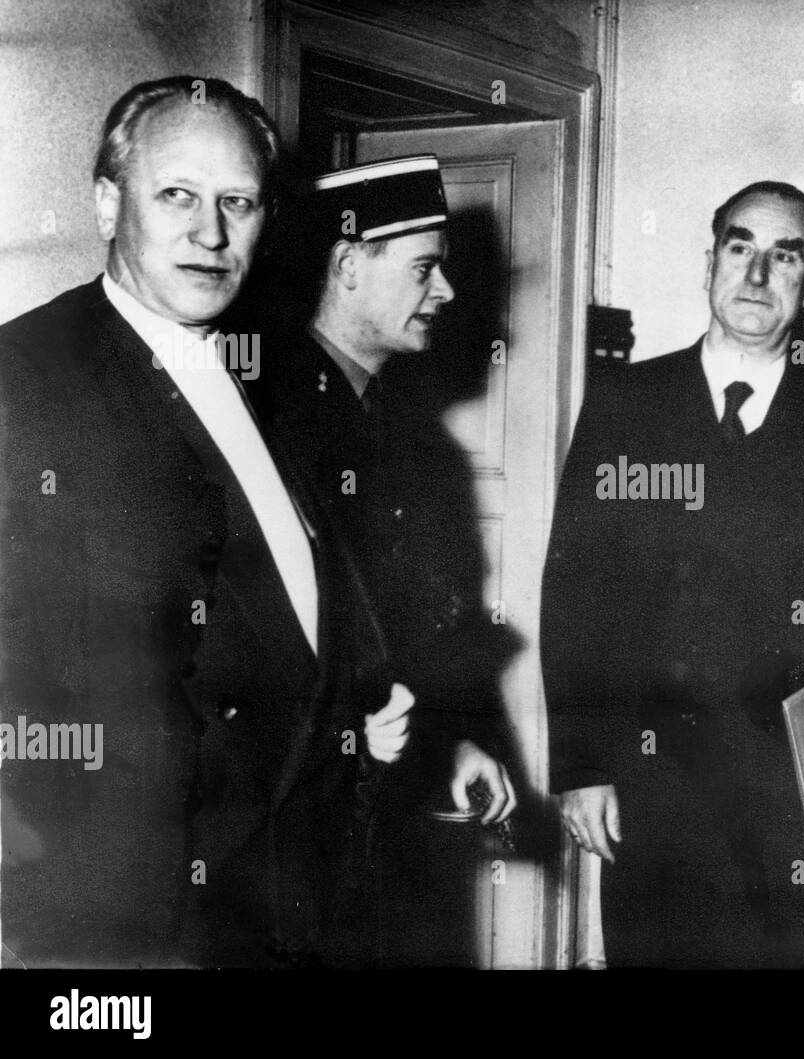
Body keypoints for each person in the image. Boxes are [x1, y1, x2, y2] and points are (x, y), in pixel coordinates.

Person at [0, 76, 411, 967]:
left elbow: (289, 584)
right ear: (109, 203)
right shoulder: (26, 380)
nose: (211, 232)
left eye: (238, 202)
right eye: (177, 195)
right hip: (138, 917)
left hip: (295, 888)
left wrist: (362, 698)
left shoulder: (267, 369)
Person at [541, 181, 804, 967]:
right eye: (739, 246)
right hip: (653, 783)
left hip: (796, 788)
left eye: (784, 256)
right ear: (711, 262)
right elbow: (577, 592)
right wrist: (581, 763)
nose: (756, 274)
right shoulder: (625, 404)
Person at [249, 156, 517, 966]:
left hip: (390, 819)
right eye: (424, 269)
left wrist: (454, 740)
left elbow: (416, 627)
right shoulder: (264, 419)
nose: (447, 293)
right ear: (347, 264)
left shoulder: (405, 427)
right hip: (295, 827)